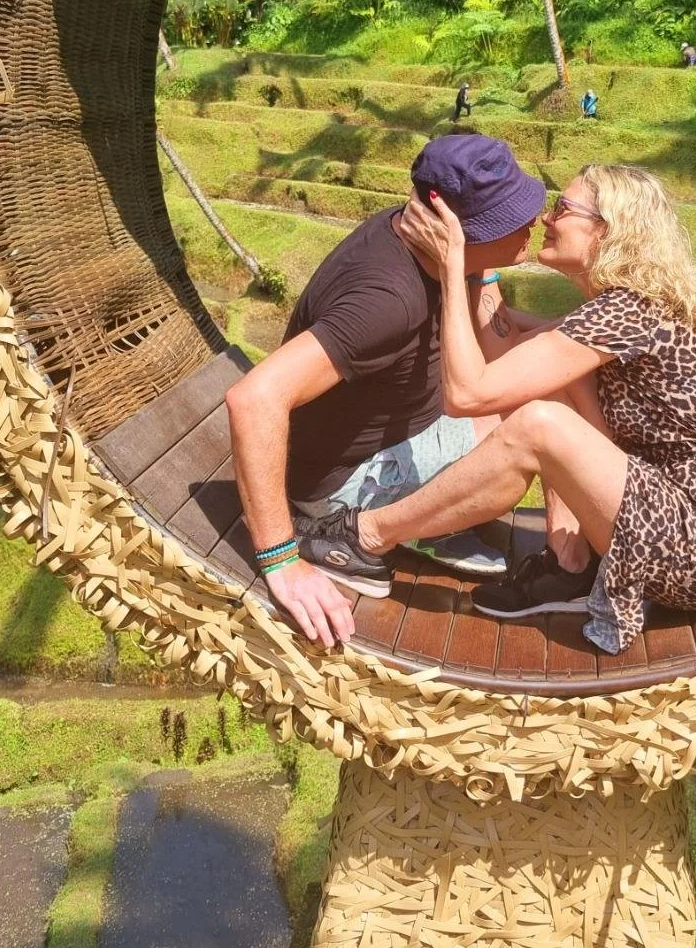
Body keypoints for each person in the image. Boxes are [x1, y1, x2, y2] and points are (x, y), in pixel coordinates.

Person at [305, 165, 696, 654]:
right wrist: (481, 262)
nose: (548, 219)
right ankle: (570, 564)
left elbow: (466, 394)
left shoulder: (628, 312)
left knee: (539, 423)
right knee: (548, 386)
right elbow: (507, 345)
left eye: (563, 209)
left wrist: (451, 262)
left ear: (608, 229)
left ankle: (365, 537)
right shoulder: (624, 308)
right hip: (668, 513)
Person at [225, 134, 546, 648]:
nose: (531, 226)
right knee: (534, 430)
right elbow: (253, 398)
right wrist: (280, 562)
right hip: (338, 490)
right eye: (511, 220)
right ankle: (367, 532)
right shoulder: (387, 301)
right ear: (451, 232)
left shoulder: (436, 252)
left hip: (402, 430)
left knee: (547, 376)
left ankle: (426, 520)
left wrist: (580, 333)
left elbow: (497, 332)